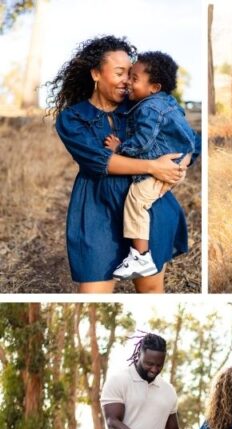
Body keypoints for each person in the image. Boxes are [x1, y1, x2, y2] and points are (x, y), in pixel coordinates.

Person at [49, 36, 191, 293]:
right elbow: (99, 161)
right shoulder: (72, 118)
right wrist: (153, 167)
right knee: (92, 295)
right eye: (119, 73)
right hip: (97, 212)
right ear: (96, 74)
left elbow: (189, 138)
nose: (127, 80)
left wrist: (180, 165)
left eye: (130, 73)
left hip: (148, 210)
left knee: (151, 291)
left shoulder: (144, 105)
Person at [103, 51, 196, 280]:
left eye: (134, 78)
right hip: (174, 164)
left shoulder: (149, 108)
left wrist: (120, 148)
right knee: (142, 202)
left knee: (136, 200)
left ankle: (141, 256)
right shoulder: (167, 102)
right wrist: (186, 157)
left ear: (154, 87)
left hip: (162, 167)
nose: (128, 82)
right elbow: (187, 133)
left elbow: (143, 141)